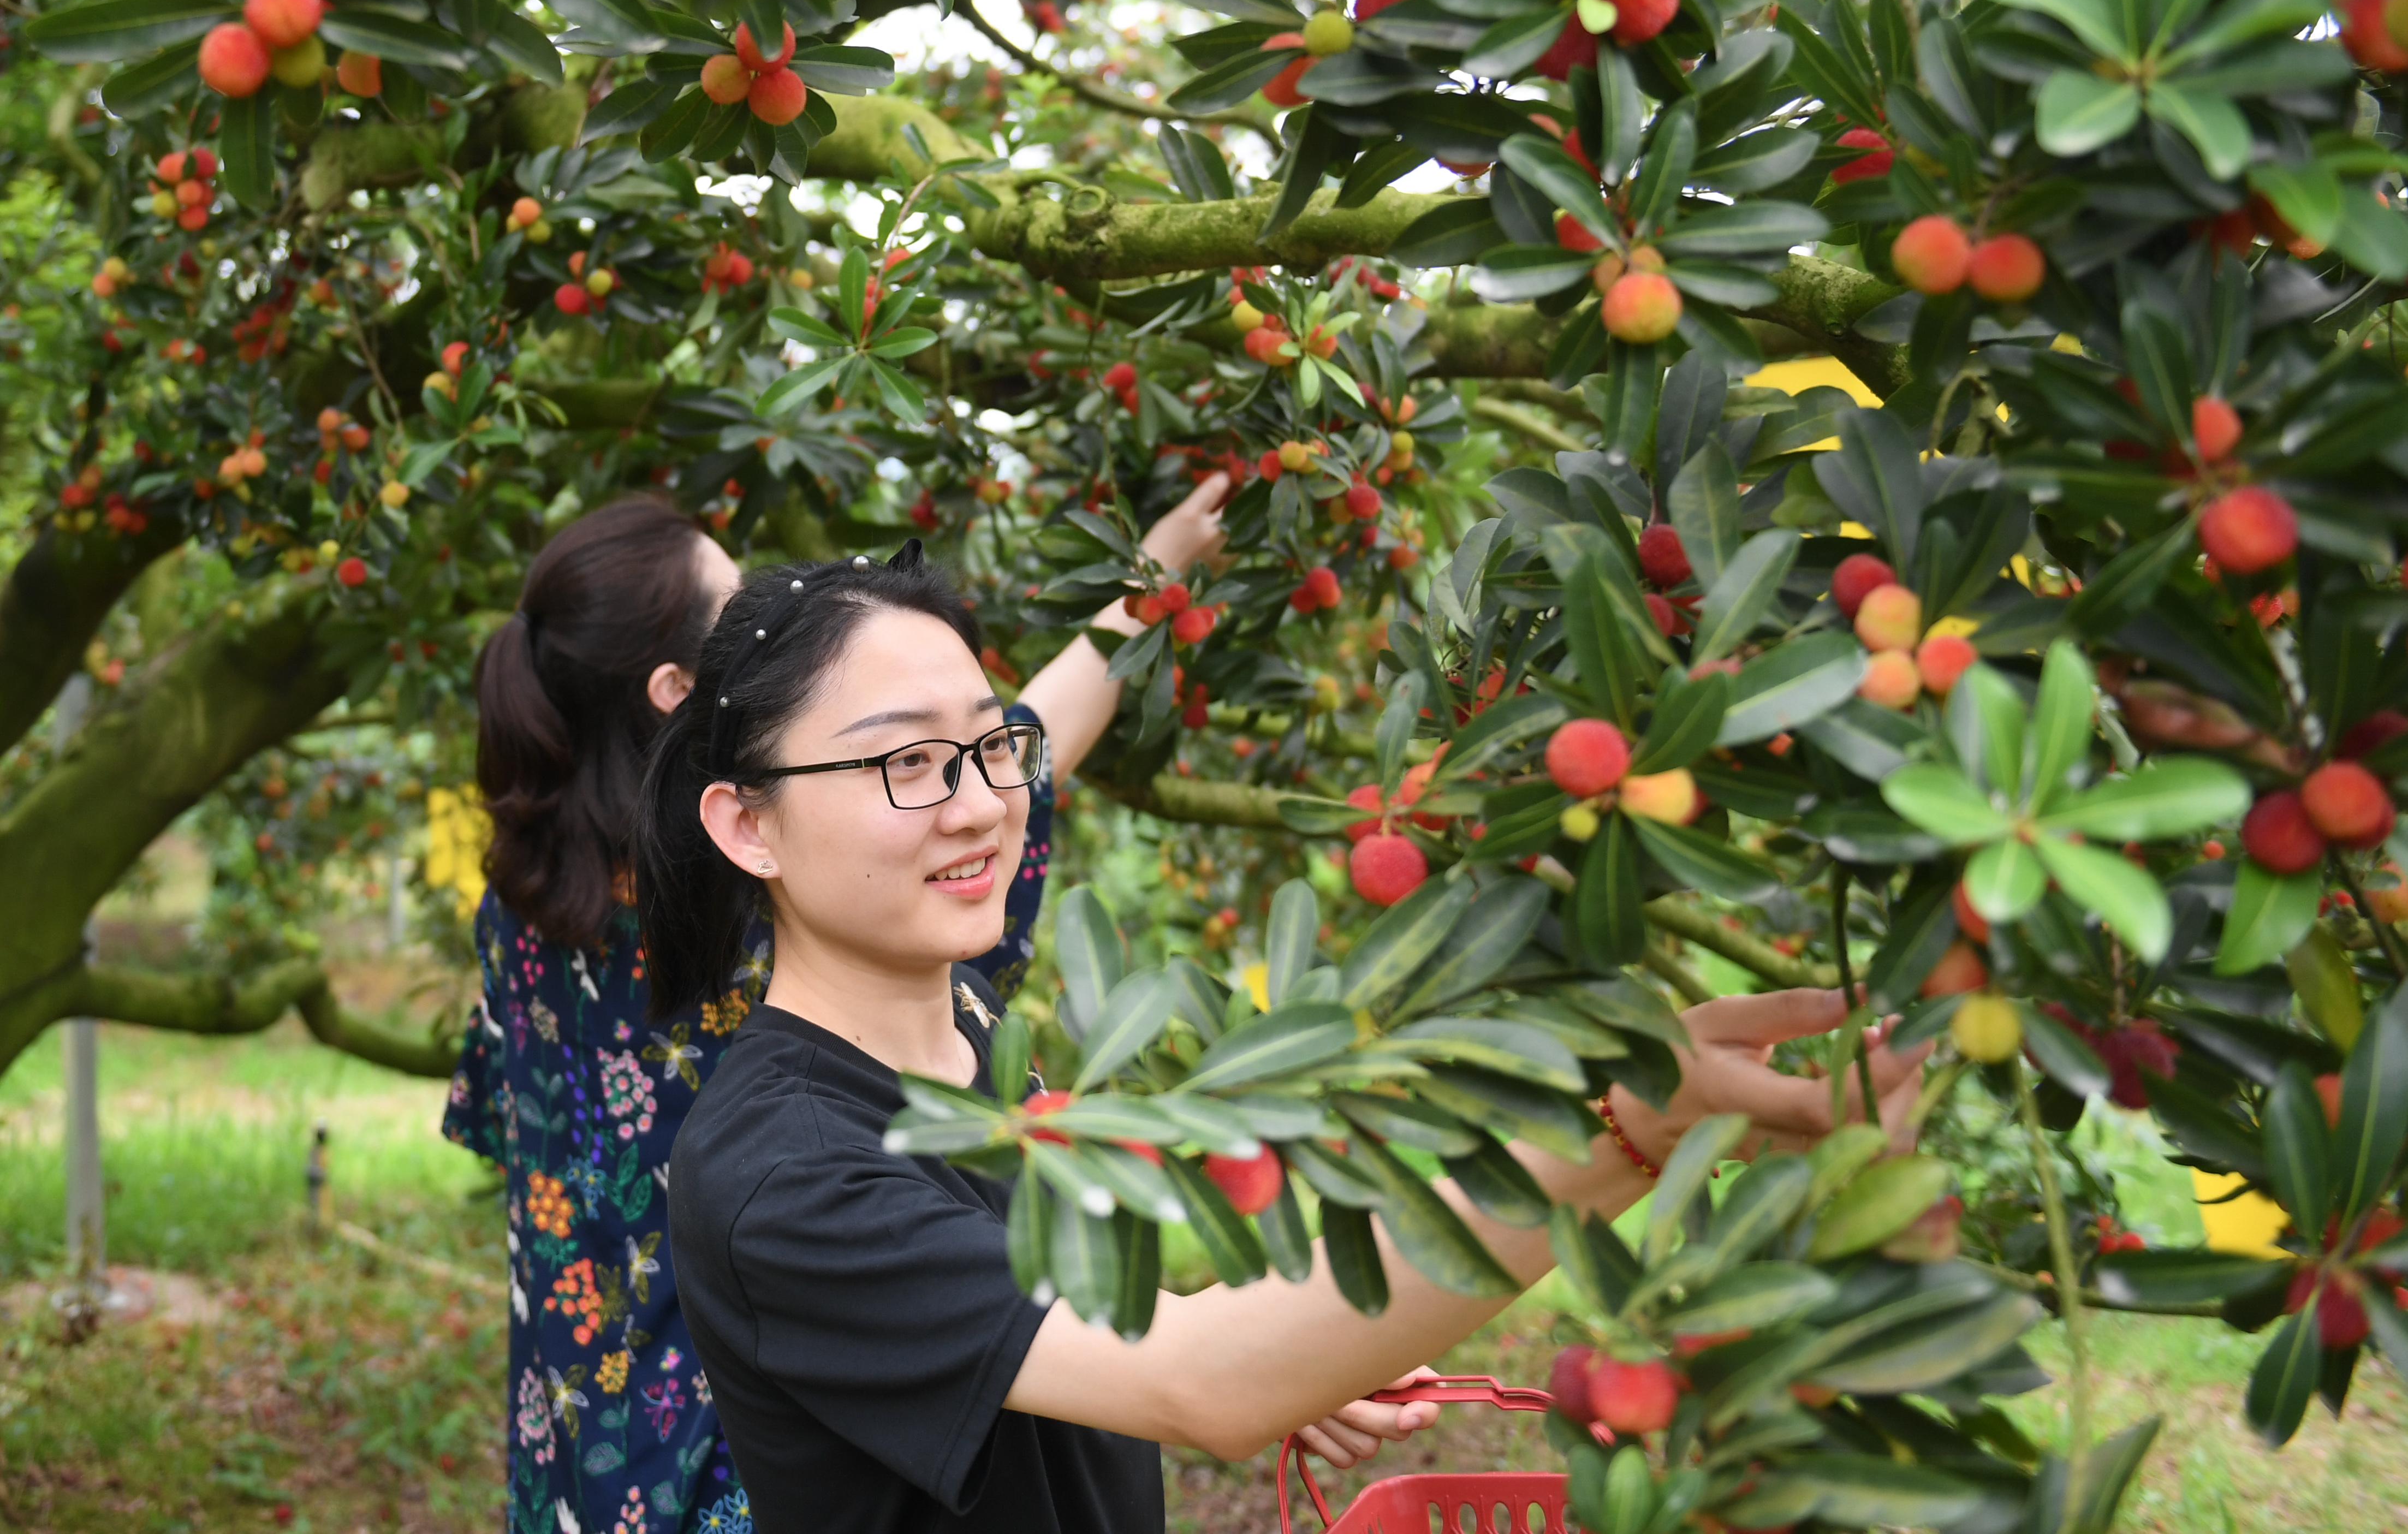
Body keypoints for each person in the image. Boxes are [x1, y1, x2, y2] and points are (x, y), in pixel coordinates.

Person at [638, 545, 1930, 1534]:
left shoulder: (973, 1032)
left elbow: (1074, 1327)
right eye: (906, 763)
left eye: (991, 743)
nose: (979, 803)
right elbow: (1199, 1383)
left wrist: (1305, 1349)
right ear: (749, 825)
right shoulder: (781, 1176)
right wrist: (1630, 1121)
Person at [444, 484, 1226, 1534]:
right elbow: (1002, 783)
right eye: (733, 621)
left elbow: (498, 1125)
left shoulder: (516, 908)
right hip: (745, 1444)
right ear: (680, 693)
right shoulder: (763, 930)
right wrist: (1145, 582)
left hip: (577, 1435)